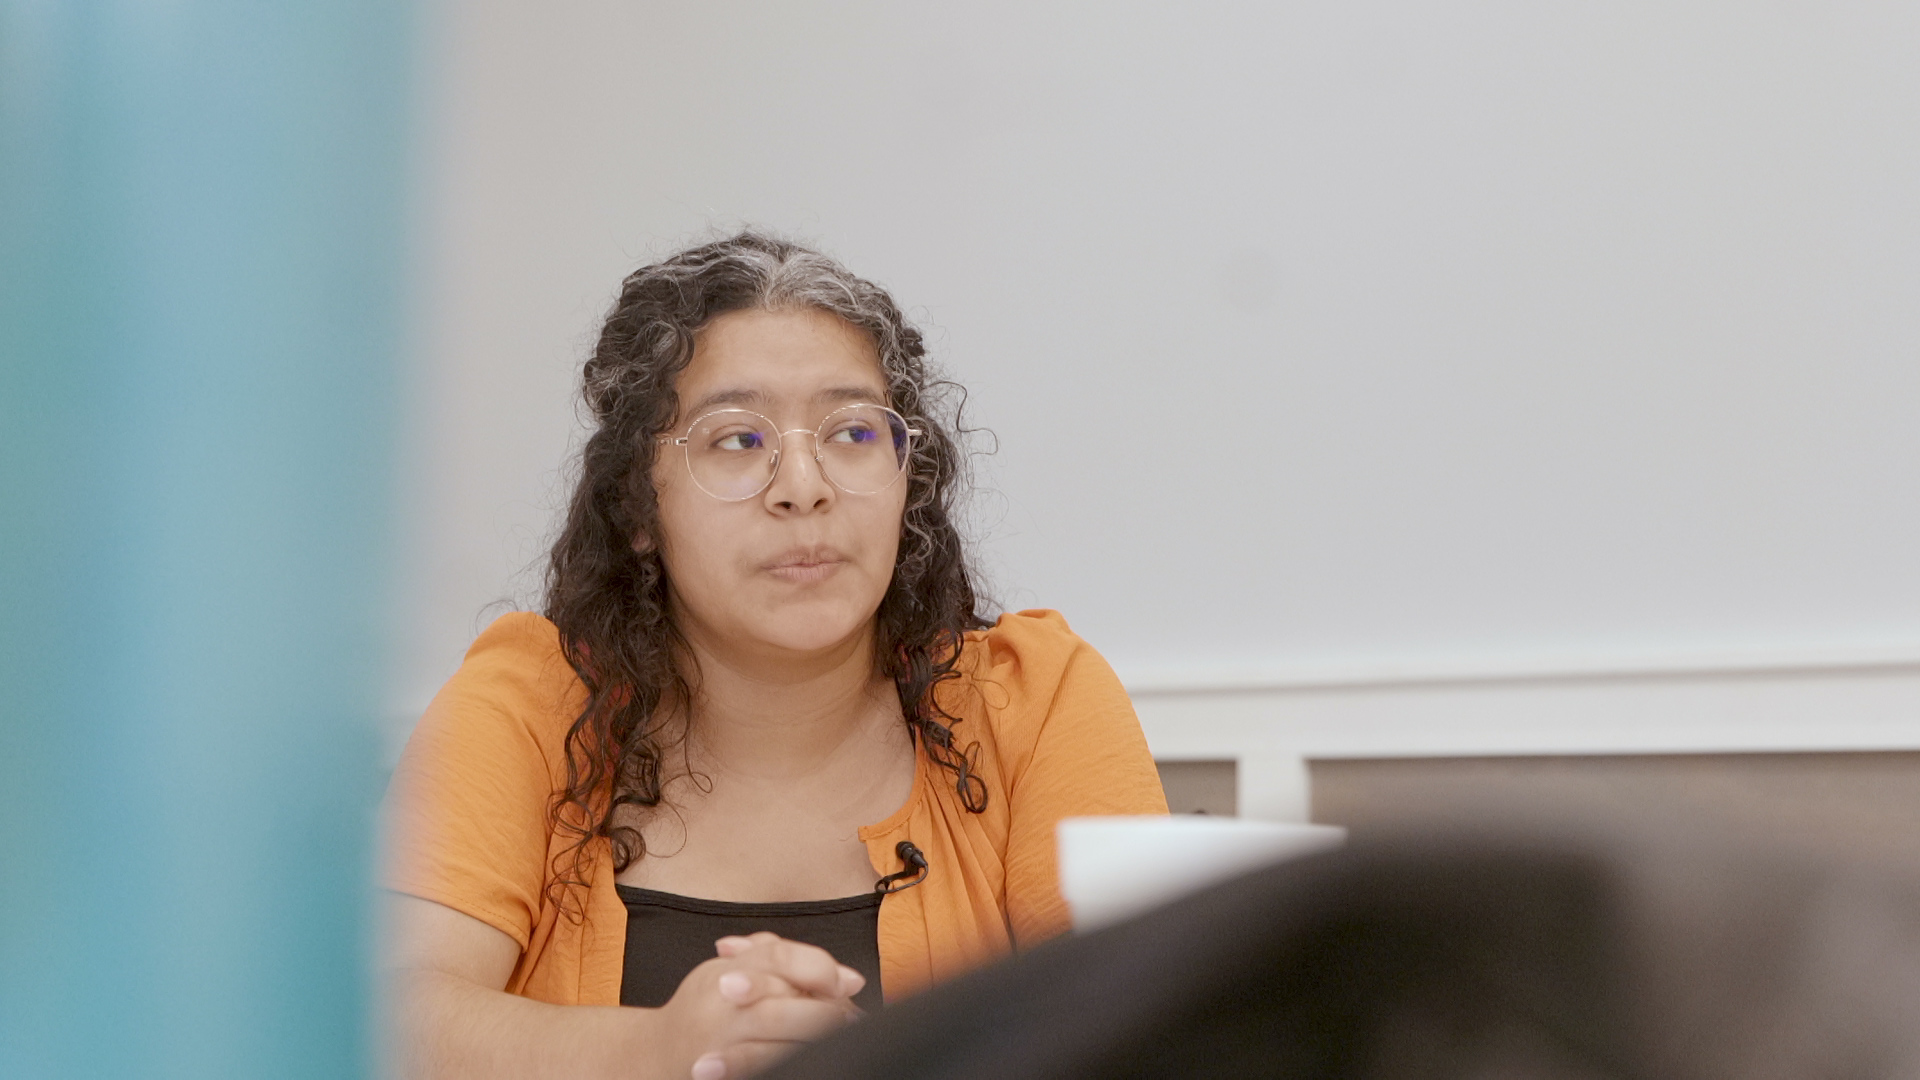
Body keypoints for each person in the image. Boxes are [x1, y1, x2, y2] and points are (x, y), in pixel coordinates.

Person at [380, 232, 1168, 1080]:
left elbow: (1161, 1026)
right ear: (640, 507)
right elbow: (388, 1024)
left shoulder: (1035, 698)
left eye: (853, 433)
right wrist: (657, 1051)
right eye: (738, 440)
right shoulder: (530, 703)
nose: (804, 484)